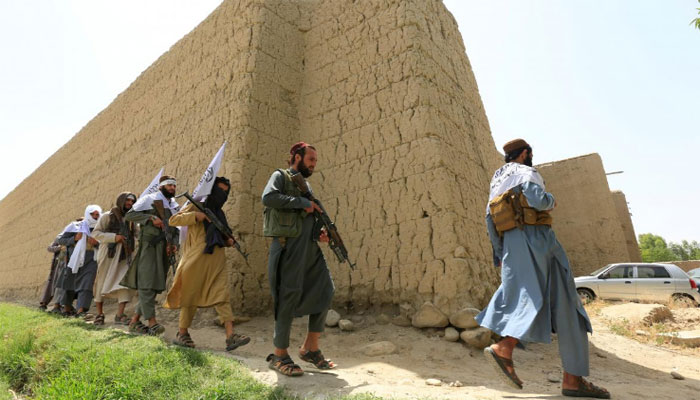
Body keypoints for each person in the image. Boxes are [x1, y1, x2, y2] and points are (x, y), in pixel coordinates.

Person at [476, 139, 610, 399]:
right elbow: (537, 200)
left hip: (511, 244)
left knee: (528, 293)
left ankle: (571, 379)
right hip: (538, 239)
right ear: (525, 154)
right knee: (564, 302)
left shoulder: (497, 181)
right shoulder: (527, 172)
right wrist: (551, 201)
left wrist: (500, 253)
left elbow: (489, 219)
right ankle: (508, 350)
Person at [262, 142, 335, 377]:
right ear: (296, 157)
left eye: (315, 161)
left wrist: (319, 233)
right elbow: (269, 198)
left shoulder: (305, 184)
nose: (314, 164)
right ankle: (279, 354)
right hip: (288, 246)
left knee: (326, 290)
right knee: (288, 295)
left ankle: (310, 348)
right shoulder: (280, 176)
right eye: (310, 159)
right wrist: (304, 204)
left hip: (309, 248)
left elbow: (305, 217)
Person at [164, 176, 250, 351]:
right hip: (197, 258)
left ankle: (230, 336)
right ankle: (182, 333)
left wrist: (228, 241)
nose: (222, 194)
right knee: (191, 295)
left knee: (222, 295)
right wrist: (197, 216)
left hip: (216, 258)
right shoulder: (197, 206)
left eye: (226, 192)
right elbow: (174, 220)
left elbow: (221, 235)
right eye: (219, 190)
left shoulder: (219, 213)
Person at [122, 176, 179, 335]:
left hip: (164, 248)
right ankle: (152, 322)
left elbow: (175, 226)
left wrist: (174, 243)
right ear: (161, 186)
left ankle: (134, 321)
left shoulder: (173, 205)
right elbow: (130, 215)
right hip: (149, 246)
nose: (172, 188)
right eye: (169, 185)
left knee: (154, 286)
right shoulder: (149, 199)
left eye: (174, 186)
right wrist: (150, 218)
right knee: (147, 283)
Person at [91, 192, 138, 326]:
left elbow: (137, 234)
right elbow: (96, 233)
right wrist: (114, 237)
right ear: (121, 201)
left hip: (125, 254)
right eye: (127, 200)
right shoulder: (107, 216)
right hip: (108, 253)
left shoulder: (131, 219)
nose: (130, 203)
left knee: (124, 282)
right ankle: (100, 314)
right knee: (101, 281)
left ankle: (120, 314)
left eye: (132, 201)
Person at [55, 205, 102, 318]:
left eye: (97, 214)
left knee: (87, 283)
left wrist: (96, 243)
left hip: (91, 258)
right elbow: (60, 240)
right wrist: (75, 238)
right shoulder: (75, 226)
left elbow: (105, 243)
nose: (95, 217)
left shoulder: (100, 227)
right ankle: (66, 309)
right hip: (74, 258)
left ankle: (81, 310)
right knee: (70, 282)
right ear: (87, 214)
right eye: (92, 214)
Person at [39, 235, 63, 311]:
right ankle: (44, 303)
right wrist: (59, 248)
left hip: (66, 264)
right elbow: (49, 248)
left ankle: (59, 305)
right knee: (51, 283)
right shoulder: (60, 237)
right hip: (57, 263)